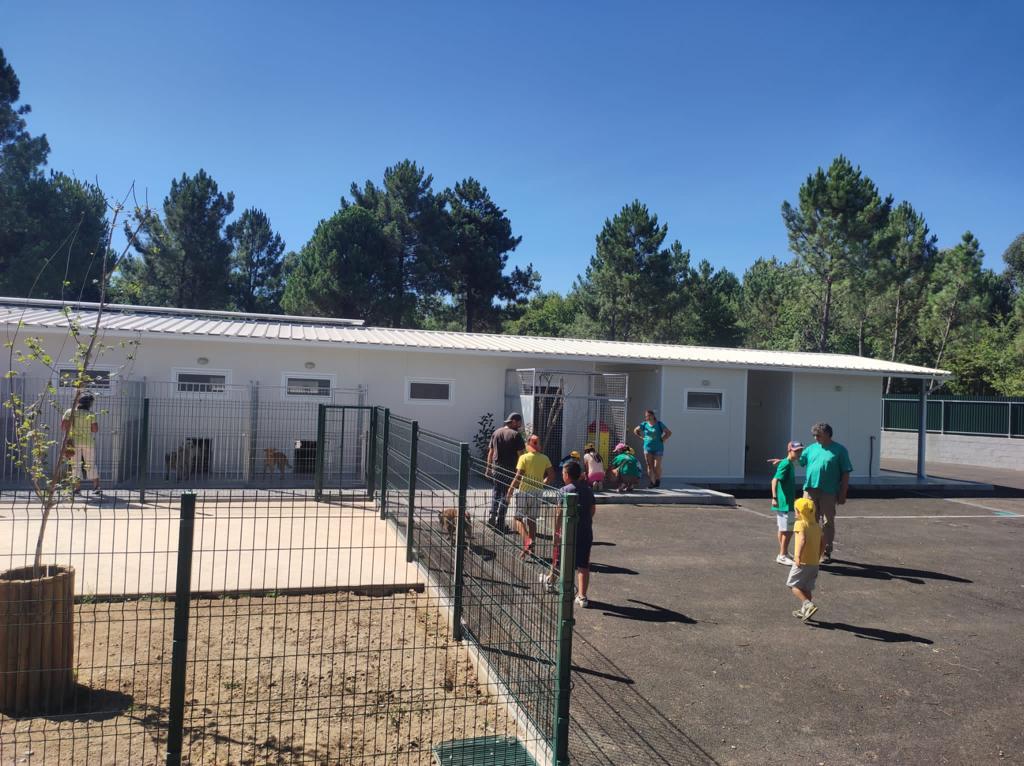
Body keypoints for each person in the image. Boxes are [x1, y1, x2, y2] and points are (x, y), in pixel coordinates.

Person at [541, 461, 596, 607]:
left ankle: (550, 581)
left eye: (563, 473)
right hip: (585, 531)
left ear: (566, 475)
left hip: (568, 531)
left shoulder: (563, 491)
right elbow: (592, 509)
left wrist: (556, 532)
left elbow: (558, 513)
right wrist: (586, 520)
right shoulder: (588, 490)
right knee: (583, 564)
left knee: (559, 559)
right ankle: (582, 596)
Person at [799, 422, 852, 564]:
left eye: (818, 435)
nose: (815, 438)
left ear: (828, 434)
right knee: (809, 521)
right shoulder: (811, 449)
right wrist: (786, 459)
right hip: (810, 490)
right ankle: (810, 550)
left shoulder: (840, 450)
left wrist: (843, 493)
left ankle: (825, 552)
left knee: (827, 522)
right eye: (814, 435)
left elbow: (846, 472)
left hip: (829, 491)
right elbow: (799, 461)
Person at [506, 434, 556, 558]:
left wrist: (510, 491)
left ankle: (528, 542)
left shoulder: (523, 458)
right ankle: (531, 548)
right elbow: (551, 475)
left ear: (528, 445)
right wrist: (542, 483)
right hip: (538, 492)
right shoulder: (545, 458)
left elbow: (518, 476)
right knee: (532, 520)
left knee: (517, 518)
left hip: (524, 491)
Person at [485, 412, 525, 532]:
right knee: (506, 495)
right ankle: (501, 522)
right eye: (519, 422)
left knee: (496, 492)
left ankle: (492, 515)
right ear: (514, 422)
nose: (520, 425)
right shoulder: (516, 435)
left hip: (497, 468)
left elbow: (491, 452)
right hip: (510, 469)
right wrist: (522, 471)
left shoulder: (496, 432)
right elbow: (521, 455)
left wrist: (488, 468)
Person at [787, 496, 822, 621]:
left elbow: (802, 539)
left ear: (799, 512)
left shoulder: (800, 524)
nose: (795, 512)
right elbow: (823, 542)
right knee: (806, 588)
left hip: (802, 561)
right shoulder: (816, 526)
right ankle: (805, 611)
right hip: (814, 562)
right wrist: (819, 555)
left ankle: (808, 605)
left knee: (793, 585)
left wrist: (797, 556)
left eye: (796, 510)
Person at [61, 392, 101, 498]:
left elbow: (63, 427)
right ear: (89, 404)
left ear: (78, 401)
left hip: (74, 442)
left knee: (75, 465)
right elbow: (95, 429)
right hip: (88, 442)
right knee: (91, 464)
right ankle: (96, 487)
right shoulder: (91, 414)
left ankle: (77, 489)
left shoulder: (69, 412)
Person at [770, 441, 804, 565]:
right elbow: (774, 480)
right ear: (790, 450)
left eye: (800, 450)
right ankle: (782, 555)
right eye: (796, 451)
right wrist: (774, 498)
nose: (799, 453)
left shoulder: (789, 463)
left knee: (783, 529)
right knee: (788, 530)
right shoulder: (786, 464)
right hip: (784, 503)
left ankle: (783, 552)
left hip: (786, 502)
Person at [633, 409, 671, 488]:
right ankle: (652, 482)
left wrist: (663, 439)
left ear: (653, 416)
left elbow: (668, 432)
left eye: (649, 416)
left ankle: (658, 479)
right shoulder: (644, 424)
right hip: (647, 448)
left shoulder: (659, 424)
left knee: (657, 465)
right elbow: (635, 430)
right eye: (646, 416)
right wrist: (641, 437)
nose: (647, 417)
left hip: (658, 448)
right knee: (649, 465)